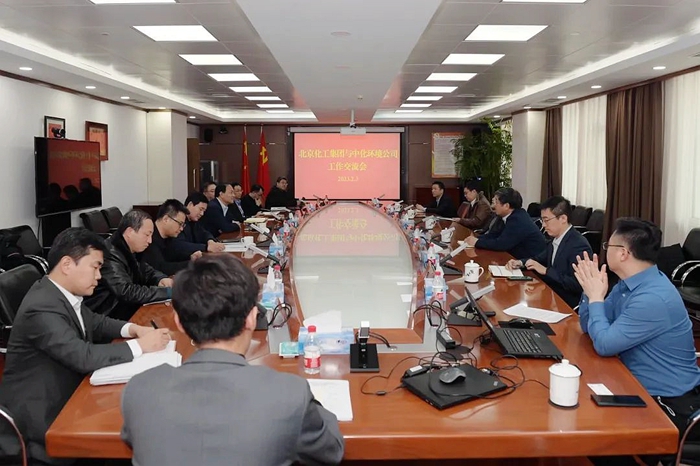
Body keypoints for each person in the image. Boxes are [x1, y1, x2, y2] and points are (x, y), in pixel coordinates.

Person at [121, 254, 344, 466]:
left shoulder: (138, 390)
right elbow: (332, 451)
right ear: (252, 318)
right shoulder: (289, 394)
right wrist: (311, 403)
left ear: (178, 322)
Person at [0, 228, 170, 465]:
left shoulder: (59, 293)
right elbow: (82, 356)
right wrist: (140, 346)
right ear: (67, 264)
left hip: (70, 394)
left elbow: (95, 322)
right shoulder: (41, 306)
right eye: (95, 267)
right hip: (42, 422)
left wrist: (133, 329)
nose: (99, 276)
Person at [575, 218, 700, 466]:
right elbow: (591, 326)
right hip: (631, 380)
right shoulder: (628, 284)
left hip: (665, 401)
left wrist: (596, 297)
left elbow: (604, 343)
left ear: (623, 253)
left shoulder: (653, 297)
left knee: (591, 431)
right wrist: (590, 293)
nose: (604, 250)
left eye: (607, 246)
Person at [84, 210, 172, 320]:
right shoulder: (108, 254)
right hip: (108, 315)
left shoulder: (128, 248)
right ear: (130, 232)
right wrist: (168, 292)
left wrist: (160, 279)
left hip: (125, 309)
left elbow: (145, 270)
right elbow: (126, 291)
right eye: (147, 235)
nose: (150, 241)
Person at [505, 196, 591, 308]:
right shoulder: (556, 239)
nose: (544, 225)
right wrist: (520, 263)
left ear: (563, 218)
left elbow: (577, 285)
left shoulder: (578, 245)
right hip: (551, 295)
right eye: (542, 221)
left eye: (546, 220)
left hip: (566, 304)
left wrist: (546, 271)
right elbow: (539, 259)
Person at [465, 187, 546, 259]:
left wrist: (477, 242)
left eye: (496, 202)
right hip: (514, 258)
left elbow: (501, 244)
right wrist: (476, 238)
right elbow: (494, 235)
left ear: (506, 206)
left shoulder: (518, 219)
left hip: (530, 262)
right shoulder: (505, 216)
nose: (493, 206)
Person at [141, 199, 195, 276]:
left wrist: (190, 257)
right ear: (166, 219)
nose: (181, 228)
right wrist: (191, 264)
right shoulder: (149, 238)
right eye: (180, 224)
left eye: (183, 225)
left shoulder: (168, 237)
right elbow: (160, 268)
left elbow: (174, 255)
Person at [167, 192, 225, 261]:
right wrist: (206, 247)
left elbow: (204, 233)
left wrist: (210, 241)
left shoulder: (194, 221)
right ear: (190, 204)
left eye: (204, 211)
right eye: (200, 209)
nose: (202, 214)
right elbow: (179, 245)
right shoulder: (178, 221)